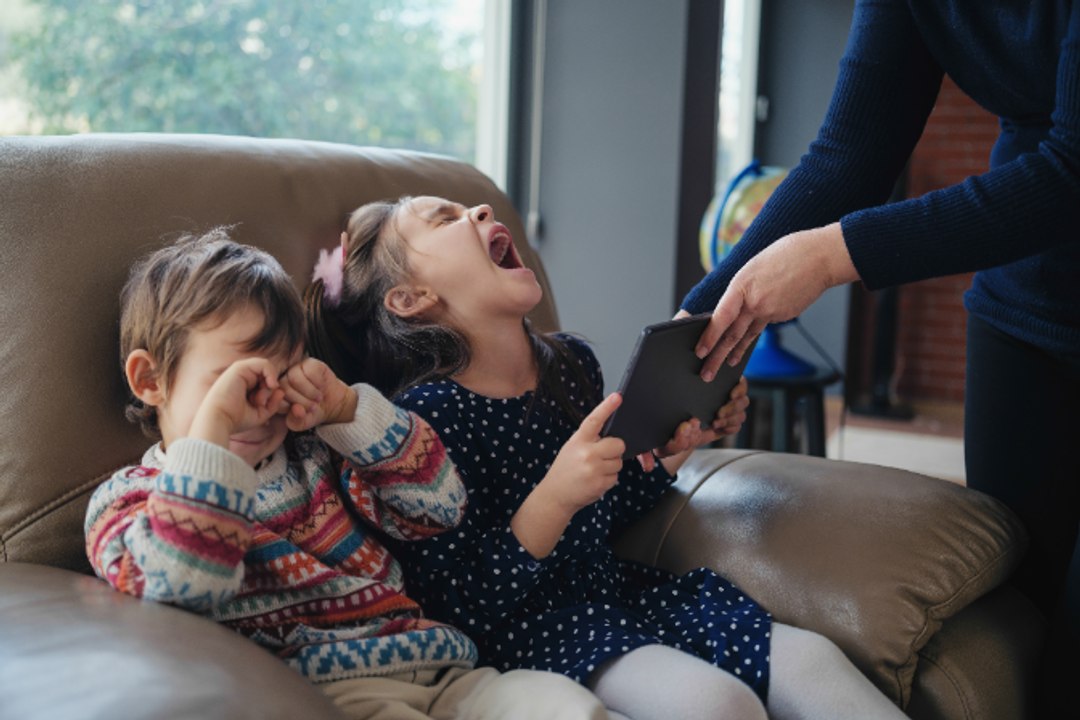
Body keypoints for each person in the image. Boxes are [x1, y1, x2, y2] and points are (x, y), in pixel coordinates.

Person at [304, 195, 910, 720]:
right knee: (717, 706)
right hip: (529, 634)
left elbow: (608, 507)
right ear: (412, 299)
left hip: (620, 598)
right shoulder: (425, 422)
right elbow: (460, 602)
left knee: (811, 661)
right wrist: (553, 497)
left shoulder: (569, 365)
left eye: (471, 207)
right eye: (446, 219)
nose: (480, 211)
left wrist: (671, 453)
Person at [679, 2, 1080, 713]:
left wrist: (837, 253)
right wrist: (699, 317)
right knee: (1022, 614)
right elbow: (848, 154)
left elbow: (1070, 174)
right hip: (1027, 304)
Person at [84, 229, 611, 720]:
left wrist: (348, 411)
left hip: (445, 668)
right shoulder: (132, 500)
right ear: (150, 379)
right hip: (323, 693)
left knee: (567, 706)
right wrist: (214, 431)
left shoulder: (319, 457)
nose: (263, 405)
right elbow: (182, 587)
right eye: (237, 382)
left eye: (281, 375)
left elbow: (440, 506)